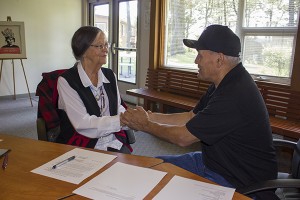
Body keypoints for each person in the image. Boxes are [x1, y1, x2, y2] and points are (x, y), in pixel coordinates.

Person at [121, 25, 278, 198]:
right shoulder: (224, 82)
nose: (196, 61)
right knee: (150, 167)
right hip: (213, 163)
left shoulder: (236, 93)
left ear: (219, 59)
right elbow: (190, 117)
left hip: (239, 181)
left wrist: (145, 124)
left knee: (163, 192)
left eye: (200, 55)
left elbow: (183, 137)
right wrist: (150, 116)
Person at [57, 26, 131, 153]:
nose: (106, 50)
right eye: (100, 46)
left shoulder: (110, 75)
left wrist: (130, 118)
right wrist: (121, 121)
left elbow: (117, 106)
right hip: (83, 144)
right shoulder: (66, 81)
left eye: (106, 45)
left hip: (113, 140)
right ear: (83, 50)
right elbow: (83, 123)